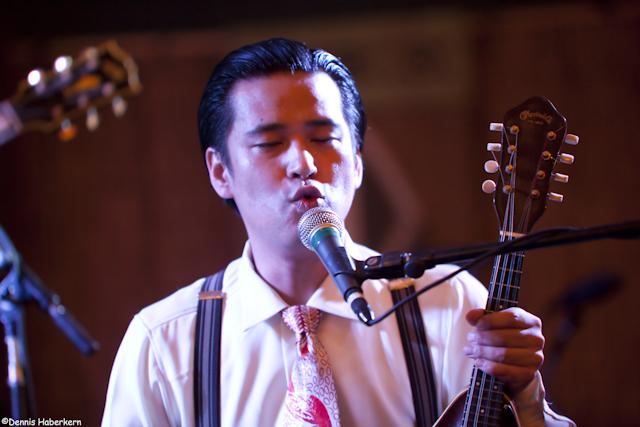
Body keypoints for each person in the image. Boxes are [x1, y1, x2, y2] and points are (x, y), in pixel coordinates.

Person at [102, 38, 575, 426]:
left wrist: (524, 395)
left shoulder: (449, 305)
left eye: (324, 138)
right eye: (270, 142)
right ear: (220, 171)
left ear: (358, 162)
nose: (303, 163)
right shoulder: (164, 344)